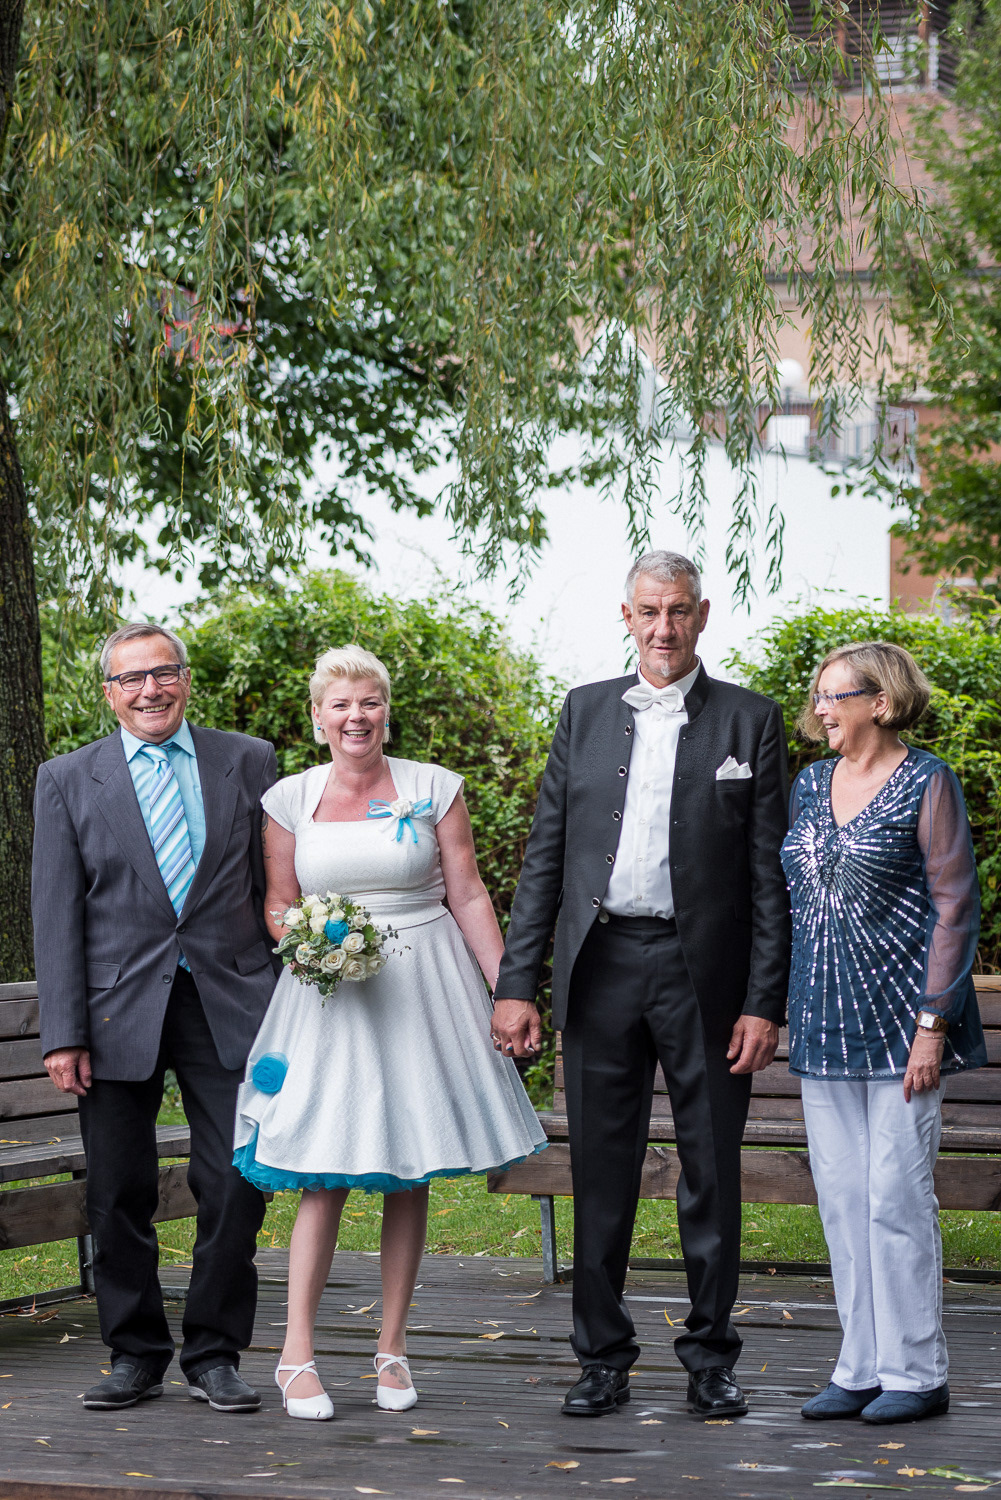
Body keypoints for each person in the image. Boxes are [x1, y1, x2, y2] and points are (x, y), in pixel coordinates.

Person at [492, 550, 791, 1419]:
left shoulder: (750, 720)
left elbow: (768, 878)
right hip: (601, 968)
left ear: (702, 615)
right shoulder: (583, 710)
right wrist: (517, 983)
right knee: (599, 1169)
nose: (664, 628)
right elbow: (544, 859)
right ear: (626, 617)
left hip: (707, 977)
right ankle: (601, 1358)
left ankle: (710, 1358)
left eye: (679, 611)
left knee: (711, 1169)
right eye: (649, 612)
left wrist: (762, 1001)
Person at [232, 645, 546, 1420]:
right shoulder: (288, 799)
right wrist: (309, 944)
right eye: (340, 705)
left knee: (409, 1167)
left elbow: (467, 893)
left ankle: (392, 1348)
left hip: (423, 985)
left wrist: (508, 991)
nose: (356, 717)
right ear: (318, 717)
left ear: (385, 710)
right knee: (323, 1168)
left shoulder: (434, 787)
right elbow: (277, 903)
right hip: (329, 995)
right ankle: (296, 1354)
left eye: (368, 702)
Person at [32, 623, 279, 1413]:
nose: (150, 690)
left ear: (185, 679)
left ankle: (214, 1353)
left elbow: (274, 887)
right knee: (118, 1188)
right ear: (109, 693)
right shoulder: (67, 779)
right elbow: (56, 912)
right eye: (131, 679)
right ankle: (135, 1353)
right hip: (111, 1012)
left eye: (163, 672)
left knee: (237, 1178)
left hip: (228, 999)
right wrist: (63, 1031)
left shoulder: (250, 760)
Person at [782, 641, 986, 1426]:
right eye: (818, 695)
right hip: (822, 1020)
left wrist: (932, 1023)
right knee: (841, 1201)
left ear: (880, 701)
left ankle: (916, 1371)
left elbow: (954, 906)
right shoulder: (808, 784)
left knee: (895, 1199)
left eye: (833, 695)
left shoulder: (926, 781)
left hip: (903, 1023)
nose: (819, 708)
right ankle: (859, 1367)